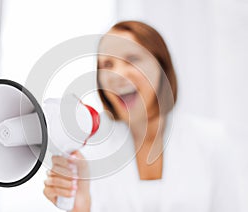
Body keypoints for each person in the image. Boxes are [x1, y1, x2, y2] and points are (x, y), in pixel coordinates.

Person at [43, 21, 239, 212]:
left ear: (161, 67)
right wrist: (81, 209)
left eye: (132, 59)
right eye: (107, 64)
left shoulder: (212, 141)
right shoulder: (89, 152)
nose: (116, 75)